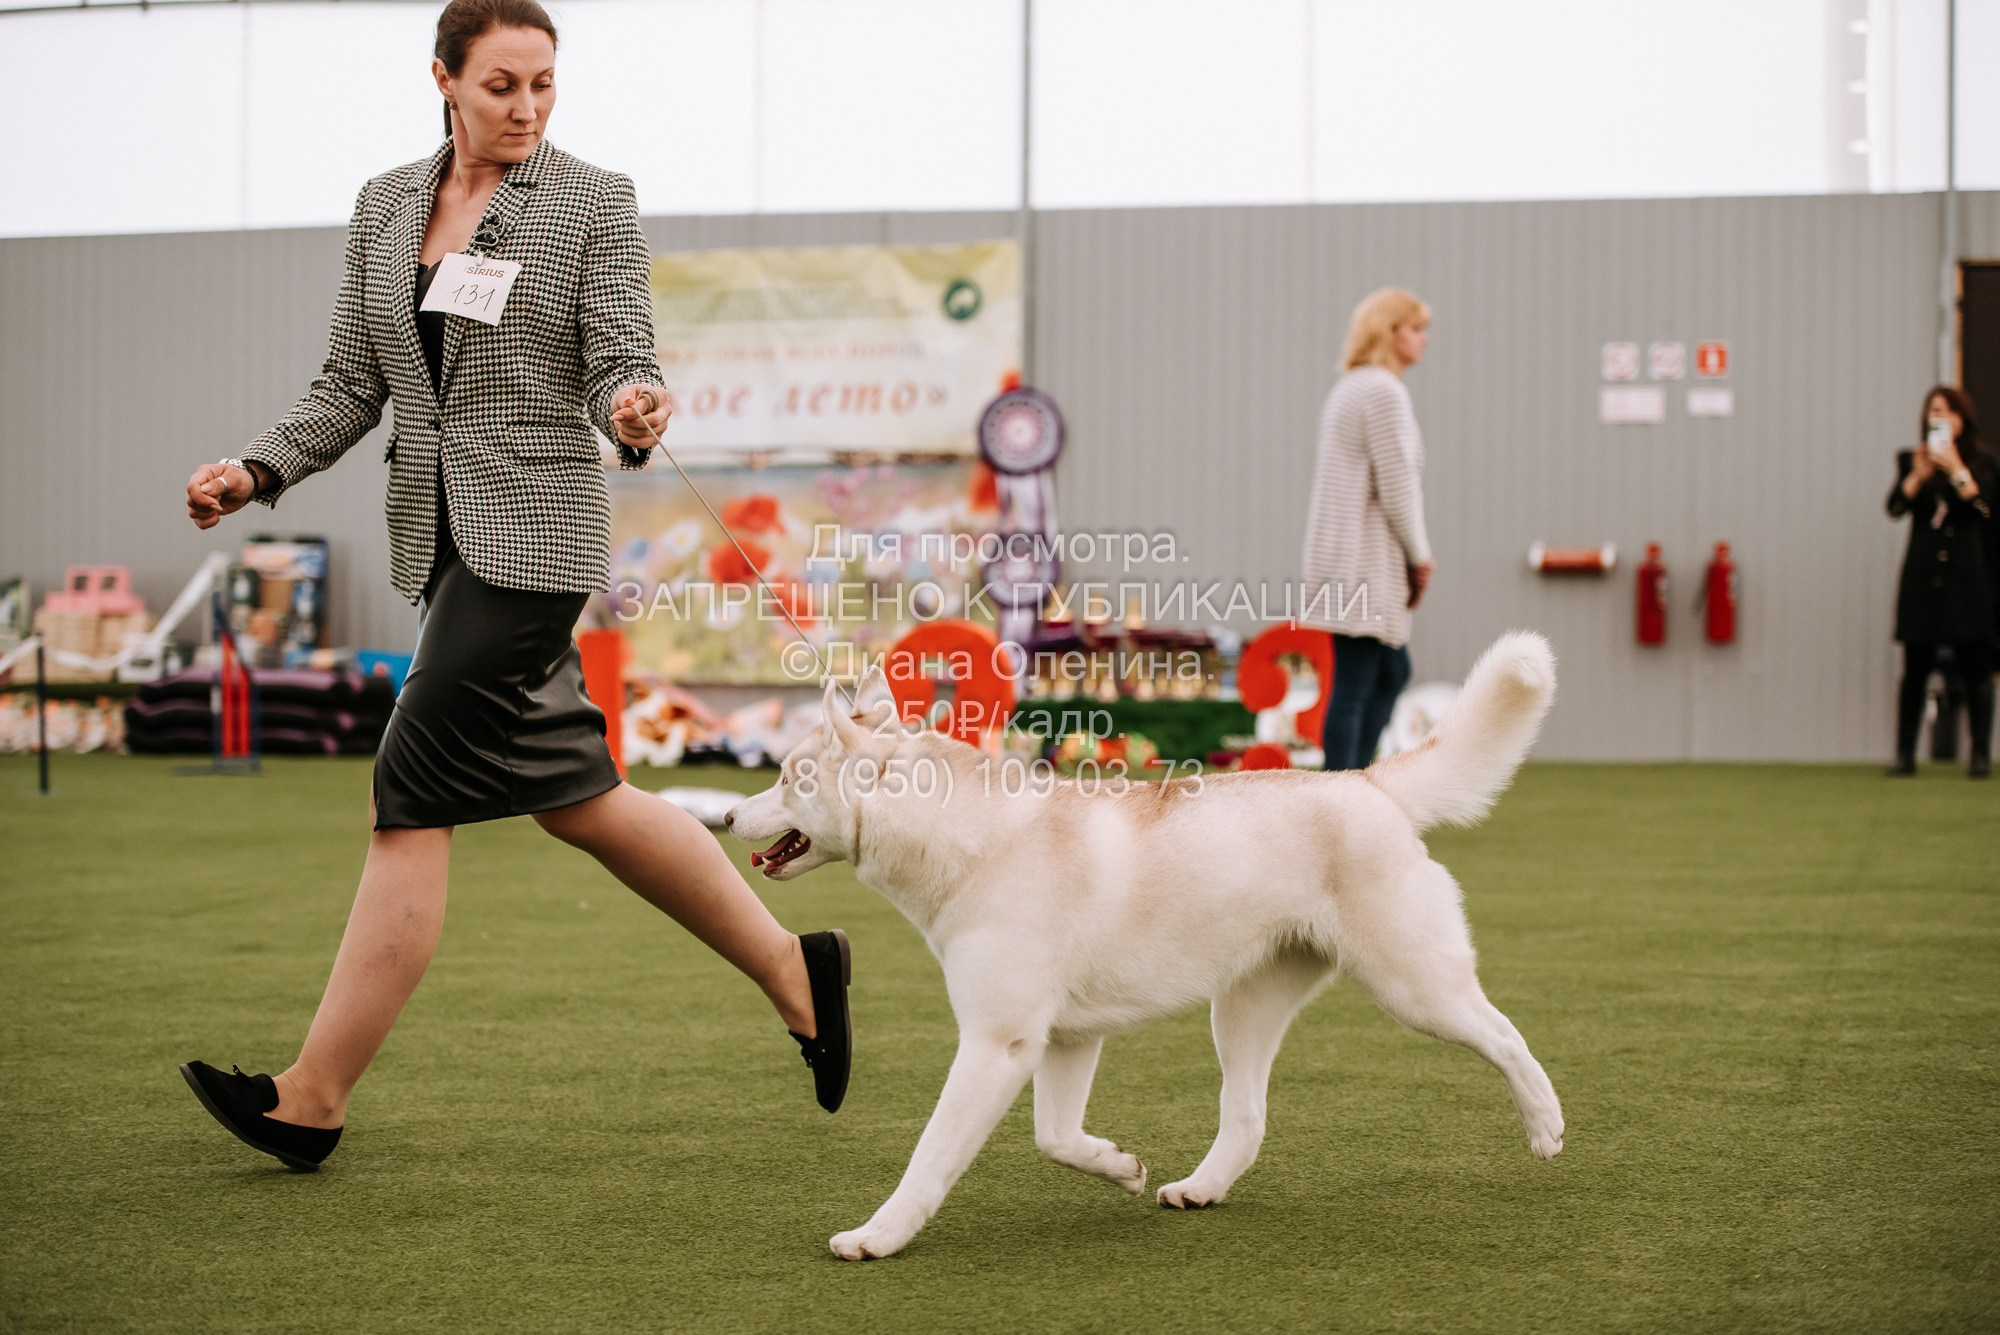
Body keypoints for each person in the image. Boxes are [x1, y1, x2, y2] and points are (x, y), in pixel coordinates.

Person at [178, 0, 852, 1173]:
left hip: (534, 541)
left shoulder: (593, 199)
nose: (528, 108)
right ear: (442, 78)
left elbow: (620, 359)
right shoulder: (384, 204)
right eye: (500, 85)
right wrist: (258, 467)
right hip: (437, 539)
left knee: (409, 794)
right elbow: (350, 380)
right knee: (578, 799)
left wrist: (633, 407)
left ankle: (312, 1097)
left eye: (544, 84)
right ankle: (800, 968)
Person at [1301, 288, 1435, 771]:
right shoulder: (1382, 391)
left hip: (1343, 555)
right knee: (1359, 683)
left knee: (1387, 672)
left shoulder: (1351, 388)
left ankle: (1352, 788)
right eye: (1416, 329)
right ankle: (1343, 796)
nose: (1423, 340)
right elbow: (1399, 484)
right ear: (1390, 331)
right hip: (1363, 561)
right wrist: (1420, 556)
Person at [1886, 384, 1995, 778]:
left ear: (1962, 420)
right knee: (1915, 668)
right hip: (1922, 578)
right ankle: (1904, 754)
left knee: (1975, 668)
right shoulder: (1911, 461)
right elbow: (1895, 507)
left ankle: (1980, 753)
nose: (1940, 417)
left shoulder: (1982, 465)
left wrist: (1958, 473)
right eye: (1934, 410)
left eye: (1948, 411)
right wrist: (1918, 475)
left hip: (1967, 581)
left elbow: (1986, 512)